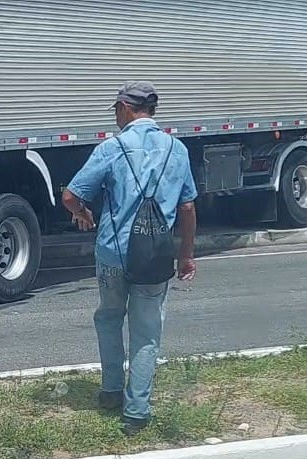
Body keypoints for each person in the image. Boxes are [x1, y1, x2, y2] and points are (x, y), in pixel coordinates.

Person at [62, 81, 198, 436]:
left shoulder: (112, 148)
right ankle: (136, 413)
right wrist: (186, 257)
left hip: (113, 254)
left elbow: (70, 196)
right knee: (147, 332)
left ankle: (110, 391)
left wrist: (84, 214)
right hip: (155, 258)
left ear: (124, 107)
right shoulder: (177, 150)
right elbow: (187, 207)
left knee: (109, 318)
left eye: (116, 110)